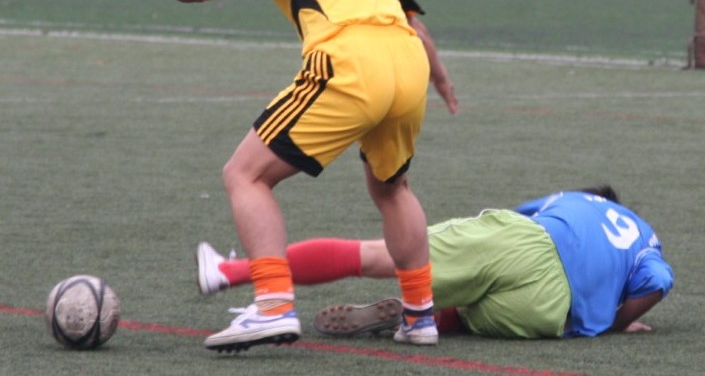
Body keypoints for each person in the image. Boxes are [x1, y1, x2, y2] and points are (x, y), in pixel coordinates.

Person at [162, 0, 440, 351]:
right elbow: (411, 20)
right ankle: (420, 316)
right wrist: (439, 75)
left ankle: (272, 305)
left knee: (245, 174)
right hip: (407, 63)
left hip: (351, 62)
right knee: (393, 188)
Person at [196, 186, 674, 340]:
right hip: (551, 312)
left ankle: (228, 273)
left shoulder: (577, 200)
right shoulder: (647, 248)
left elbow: (518, 219)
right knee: (470, 312)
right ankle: (427, 316)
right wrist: (618, 321)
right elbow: (659, 280)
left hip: (527, 242)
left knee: (380, 255)